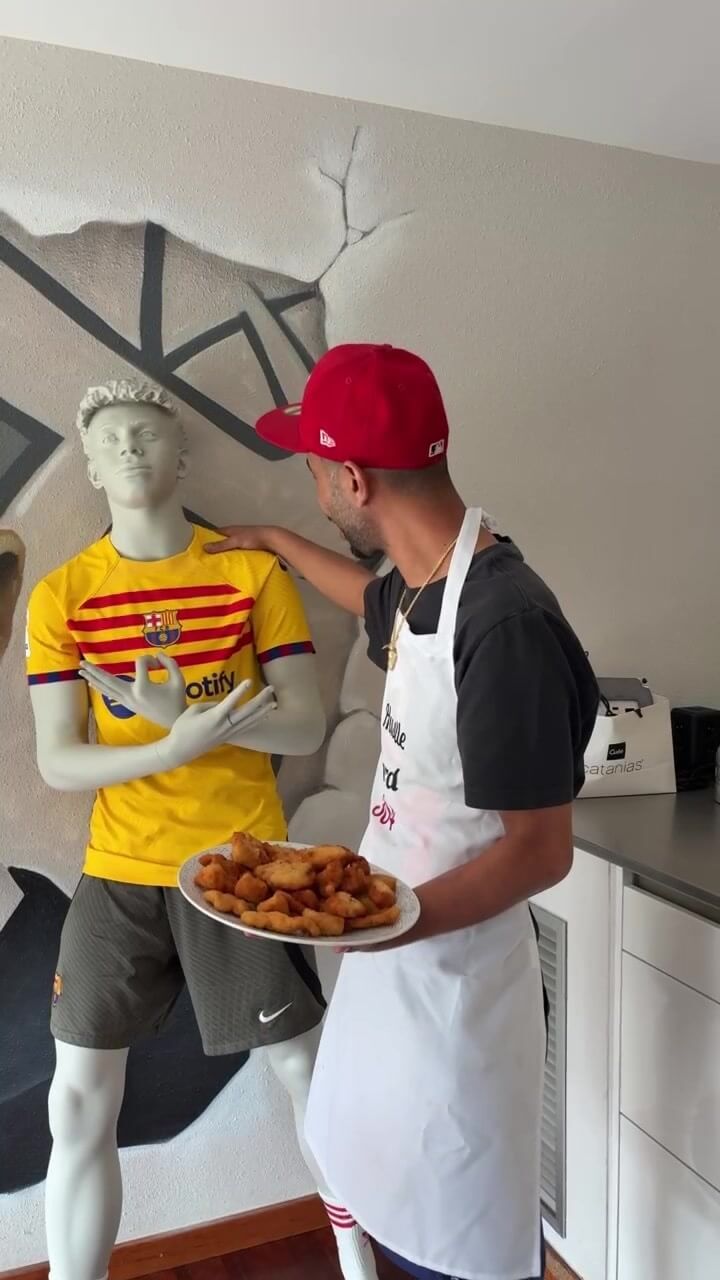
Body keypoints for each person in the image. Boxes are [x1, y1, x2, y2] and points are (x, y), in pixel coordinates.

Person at [208, 343, 599, 1280]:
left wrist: (386, 923)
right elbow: (372, 598)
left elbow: (543, 852)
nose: (316, 493)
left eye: (314, 474)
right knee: (367, 1167)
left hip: (455, 983)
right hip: (395, 958)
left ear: (351, 476)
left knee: (453, 1228)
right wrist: (275, 544)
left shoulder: (502, 622)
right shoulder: (425, 584)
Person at [26, 378, 377, 1280]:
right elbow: (57, 761)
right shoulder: (63, 595)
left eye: (148, 434)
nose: (132, 451)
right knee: (77, 1098)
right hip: (118, 869)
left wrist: (193, 714)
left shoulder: (249, 574)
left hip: (241, 868)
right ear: (91, 469)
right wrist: (166, 745)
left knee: (307, 1075)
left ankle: (357, 1259)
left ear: (183, 454)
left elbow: (301, 726)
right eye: (111, 441)